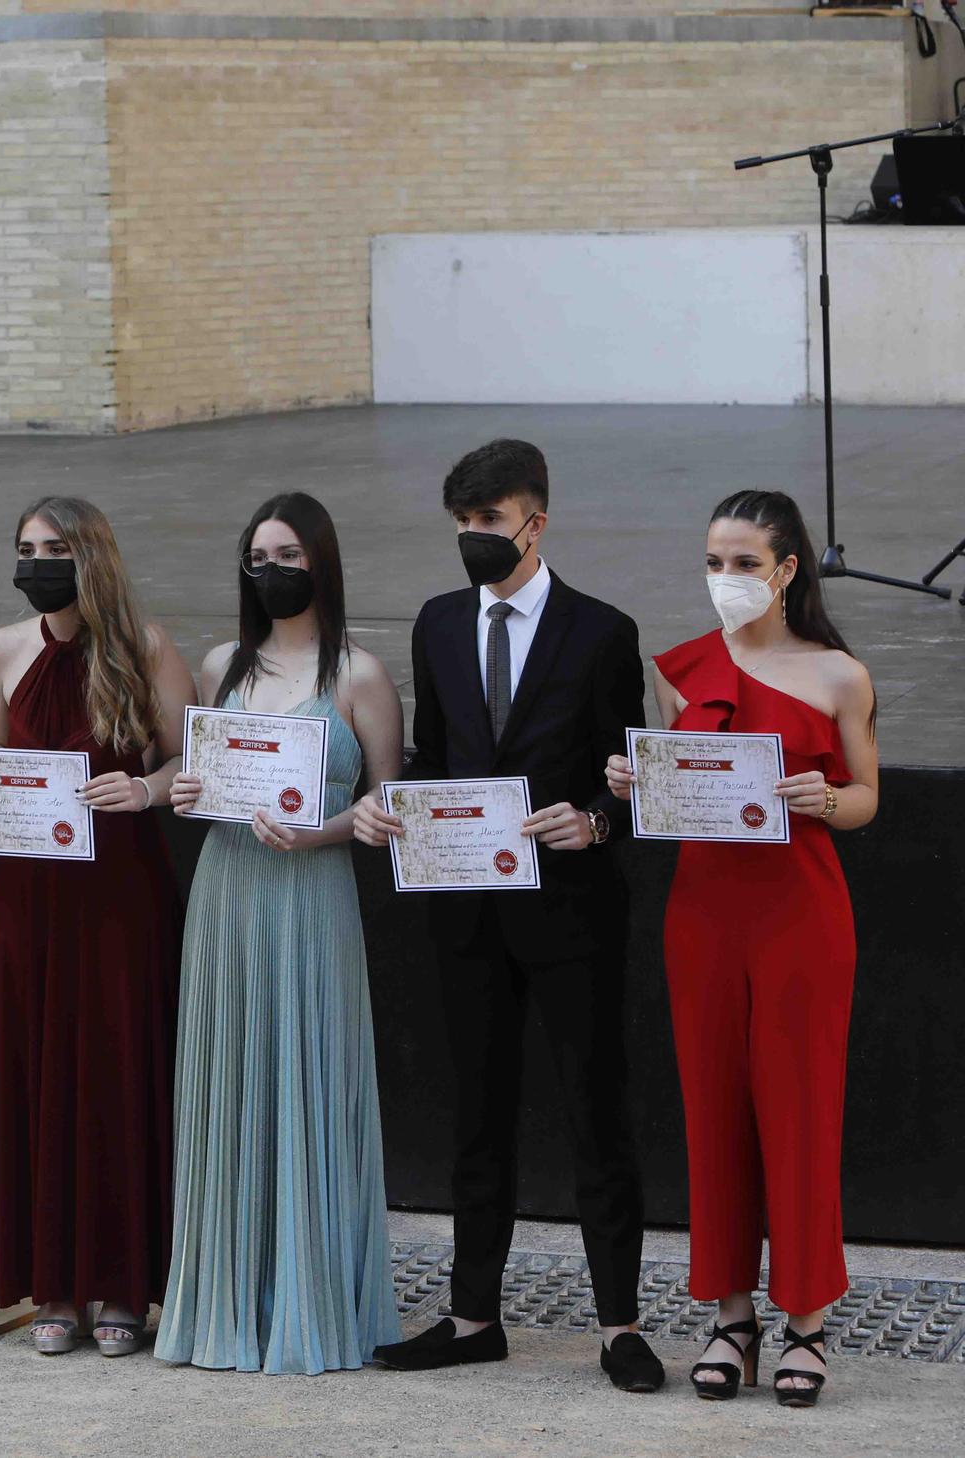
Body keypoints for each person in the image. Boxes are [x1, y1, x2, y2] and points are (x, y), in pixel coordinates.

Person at [351, 439, 664, 1393]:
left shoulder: (603, 631)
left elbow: (632, 782)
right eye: (462, 524)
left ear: (536, 522)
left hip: (573, 911)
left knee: (594, 1113)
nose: (473, 539)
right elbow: (439, 756)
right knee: (476, 1117)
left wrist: (597, 818)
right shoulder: (440, 624)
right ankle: (473, 1315)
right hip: (466, 909)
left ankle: (620, 1325)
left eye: (489, 523)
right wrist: (387, 805)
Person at [604, 491, 875, 1408]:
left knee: (799, 1111)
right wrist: (634, 780)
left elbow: (869, 793)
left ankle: (807, 1322)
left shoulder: (840, 674)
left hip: (801, 913)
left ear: (788, 569)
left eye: (746, 564)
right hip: (704, 914)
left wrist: (823, 799)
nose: (727, 580)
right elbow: (677, 794)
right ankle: (731, 1317)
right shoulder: (679, 670)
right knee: (712, 1109)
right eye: (714, 563)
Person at [0, 496, 190, 1358]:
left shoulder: (143, 645)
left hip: (119, 892)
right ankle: (58, 1285)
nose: (37, 561)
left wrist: (145, 789)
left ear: (92, 558)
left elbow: (194, 756)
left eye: (55, 548)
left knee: (117, 1074)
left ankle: (123, 1284)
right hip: (28, 895)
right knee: (40, 1072)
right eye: (25, 547)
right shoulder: (2, 647)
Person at [156, 493, 405, 1375]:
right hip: (226, 894)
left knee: (306, 1080)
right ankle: (222, 1302)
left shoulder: (361, 676)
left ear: (322, 563)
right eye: (257, 554)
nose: (271, 569)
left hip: (310, 897)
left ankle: (309, 1300)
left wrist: (325, 831)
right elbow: (200, 773)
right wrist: (187, 794)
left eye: (289, 553)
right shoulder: (223, 662)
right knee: (230, 1082)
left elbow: (387, 801)